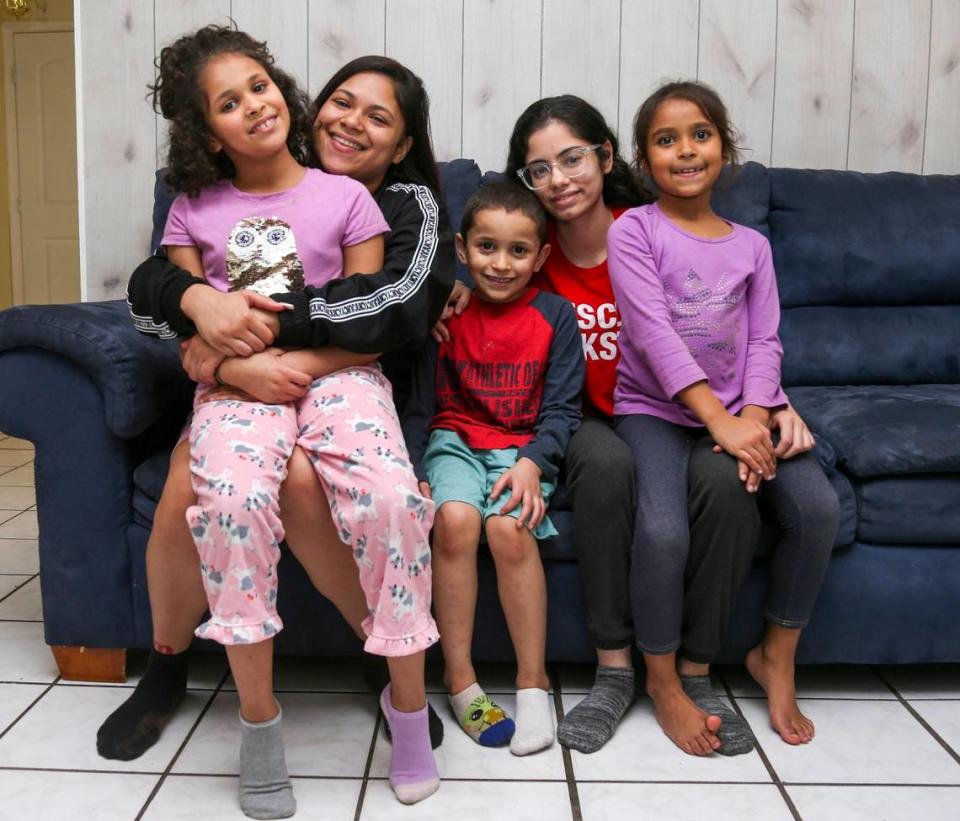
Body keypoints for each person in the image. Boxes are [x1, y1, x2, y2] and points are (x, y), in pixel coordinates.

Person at [104, 27, 446, 816]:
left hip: (336, 378)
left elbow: (363, 322)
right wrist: (229, 364)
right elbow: (181, 323)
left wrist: (285, 367)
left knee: (392, 499)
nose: (254, 105)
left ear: (282, 88)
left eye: (259, 85)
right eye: (229, 102)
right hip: (233, 389)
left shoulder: (357, 198)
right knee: (226, 502)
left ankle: (406, 709)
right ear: (205, 130)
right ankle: (259, 724)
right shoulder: (192, 208)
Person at [608, 80, 840, 754]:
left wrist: (758, 414)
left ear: (725, 147)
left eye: (700, 134)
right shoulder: (635, 231)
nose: (685, 150)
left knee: (818, 508)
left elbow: (765, 338)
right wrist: (720, 422)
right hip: (655, 410)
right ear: (645, 160)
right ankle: (662, 678)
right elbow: (653, 333)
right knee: (661, 530)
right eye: (665, 139)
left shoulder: (752, 246)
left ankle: (776, 654)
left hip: (742, 410)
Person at [404, 182, 584, 756]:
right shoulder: (445, 311)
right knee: (454, 520)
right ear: (462, 247)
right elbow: (417, 400)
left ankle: (534, 683)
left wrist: (535, 463)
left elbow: (562, 408)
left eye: (517, 251)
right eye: (486, 247)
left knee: (508, 528)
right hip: (453, 440)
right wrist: (412, 467)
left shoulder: (556, 316)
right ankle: (461, 680)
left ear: (541, 257)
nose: (500, 264)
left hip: (522, 448)